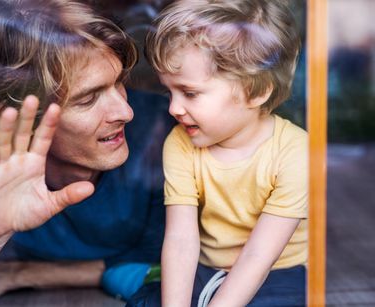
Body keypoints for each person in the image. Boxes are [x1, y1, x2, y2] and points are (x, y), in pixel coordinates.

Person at [0, 0, 174, 304]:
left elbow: (172, 259)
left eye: (119, 82)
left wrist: (25, 274)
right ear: (21, 120)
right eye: (88, 100)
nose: (125, 111)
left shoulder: (163, 129)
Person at [129, 0, 308, 306]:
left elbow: (258, 256)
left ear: (255, 91)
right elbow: (181, 240)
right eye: (168, 91)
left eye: (190, 93)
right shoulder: (181, 142)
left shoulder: (296, 152)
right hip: (208, 267)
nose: (173, 108)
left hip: (280, 270)